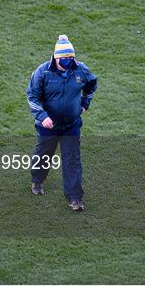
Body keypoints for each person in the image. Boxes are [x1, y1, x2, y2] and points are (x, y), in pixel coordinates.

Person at [26, 35, 97, 211]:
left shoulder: (80, 70)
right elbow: (32, 96)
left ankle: (75, 199)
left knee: (72, 160)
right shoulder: (42, 72)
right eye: (64, 58)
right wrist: (43, 117)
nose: (67, 61)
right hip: (48, 126)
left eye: (70, 58)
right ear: (56, 57)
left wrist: (84, 104)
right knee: (44, 155)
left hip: (71, 125)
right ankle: (37, 180)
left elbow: (92, 85)